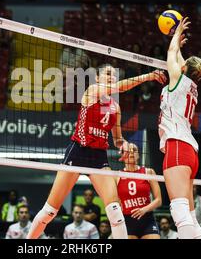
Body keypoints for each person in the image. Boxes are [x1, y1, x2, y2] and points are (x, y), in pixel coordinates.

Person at [27, 63, 166, 239]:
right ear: (98, 78)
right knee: (50, 212)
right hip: (78, 152)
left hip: (99, 156)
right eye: (107, 74)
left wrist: (123, 144)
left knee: (115, 210)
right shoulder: (92, 91)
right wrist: (148, 76)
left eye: (114, 75)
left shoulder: (116, 107)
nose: (111, 77)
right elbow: (119, 87)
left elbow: (117, 138)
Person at [159, 17, 201, 239]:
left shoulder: (178, 80)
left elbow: (171, 56)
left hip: (178, 148)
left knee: (179, 213)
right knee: (188, 214)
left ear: (184, 68)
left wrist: (175, 37)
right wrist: (179, 44)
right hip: (189, 153)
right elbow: (179, 59)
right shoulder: (190, 84)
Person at [116, 144, 161, 239]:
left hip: (147, 218)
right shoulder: (117, 176)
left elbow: (159, 200)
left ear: (139, 155)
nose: (131, 152)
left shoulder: (148, 172)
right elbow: (114, 201)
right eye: (128, 151)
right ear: (122, 156)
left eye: (134, 150)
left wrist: (144, 209)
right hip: (127, 220)